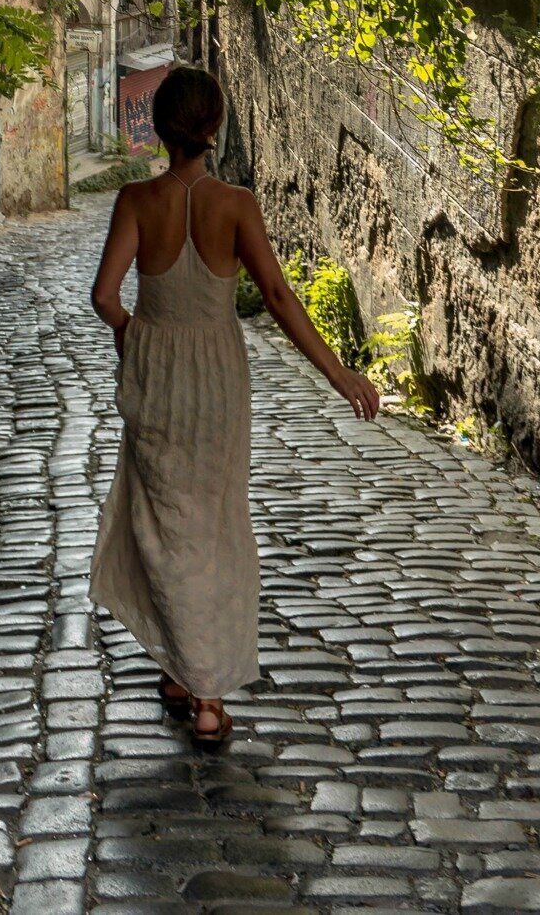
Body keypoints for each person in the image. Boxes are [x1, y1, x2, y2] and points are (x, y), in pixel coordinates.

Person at [88, 63, 380, 747]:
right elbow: (278, 298)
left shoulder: (135, 201)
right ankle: (207, 696)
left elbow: (105, 298)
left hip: (157, 371)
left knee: (160, 523)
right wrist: (339, 373)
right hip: (218, 378)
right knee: (213, 527)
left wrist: (135, 337)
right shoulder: (238, 205)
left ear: (160, 130)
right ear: (214, 129)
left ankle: (182, 670)